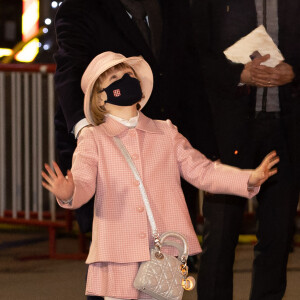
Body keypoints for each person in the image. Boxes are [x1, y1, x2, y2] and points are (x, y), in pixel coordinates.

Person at [42, 51, 279, 299]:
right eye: (114, 76)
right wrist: (69, 192)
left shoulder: (166, 132)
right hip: (118, 254)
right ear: (99, 99)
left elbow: (203, 171)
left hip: (165, 250)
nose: (125, 78)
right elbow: (84, 183)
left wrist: (248, 179)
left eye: (129, 74)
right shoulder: (93, 138)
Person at [53, 0, 200, 236]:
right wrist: (86, 130)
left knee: (175, 255)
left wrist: (208, 148)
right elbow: (70, 72)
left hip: (167, 159)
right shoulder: (80, 7)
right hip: (113, 156)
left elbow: (190, 73)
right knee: (119, 258)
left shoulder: (175, 6)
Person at [191, 0, 300, 299]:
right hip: (229, 129)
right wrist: (237, 75)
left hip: (285, 129)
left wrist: (295, 72)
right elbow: (193, 51)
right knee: (221, 236)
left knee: (278, 238)